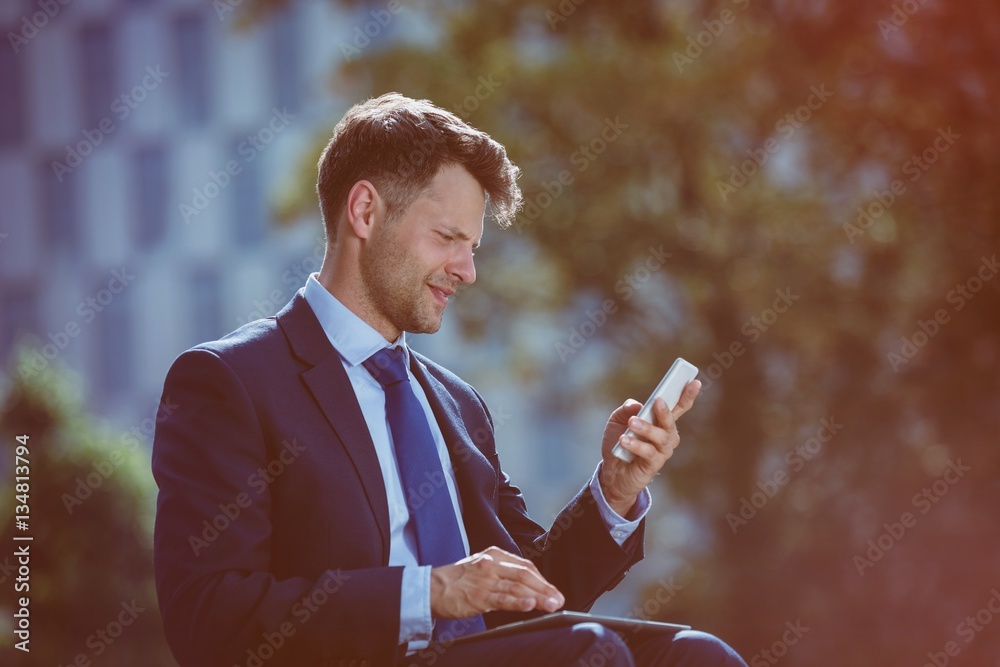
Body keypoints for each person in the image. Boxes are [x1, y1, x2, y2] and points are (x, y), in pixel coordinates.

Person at [151, 93, 748, 667]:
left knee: (697, 655)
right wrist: (428, 593)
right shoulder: (230, 382)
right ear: (365, 211)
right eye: (448, 239)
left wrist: (614, 491)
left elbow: (535, 596)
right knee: (590, 654)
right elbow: (209, 619)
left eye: (474, 246)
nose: (467, 271)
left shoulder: (457, 405)